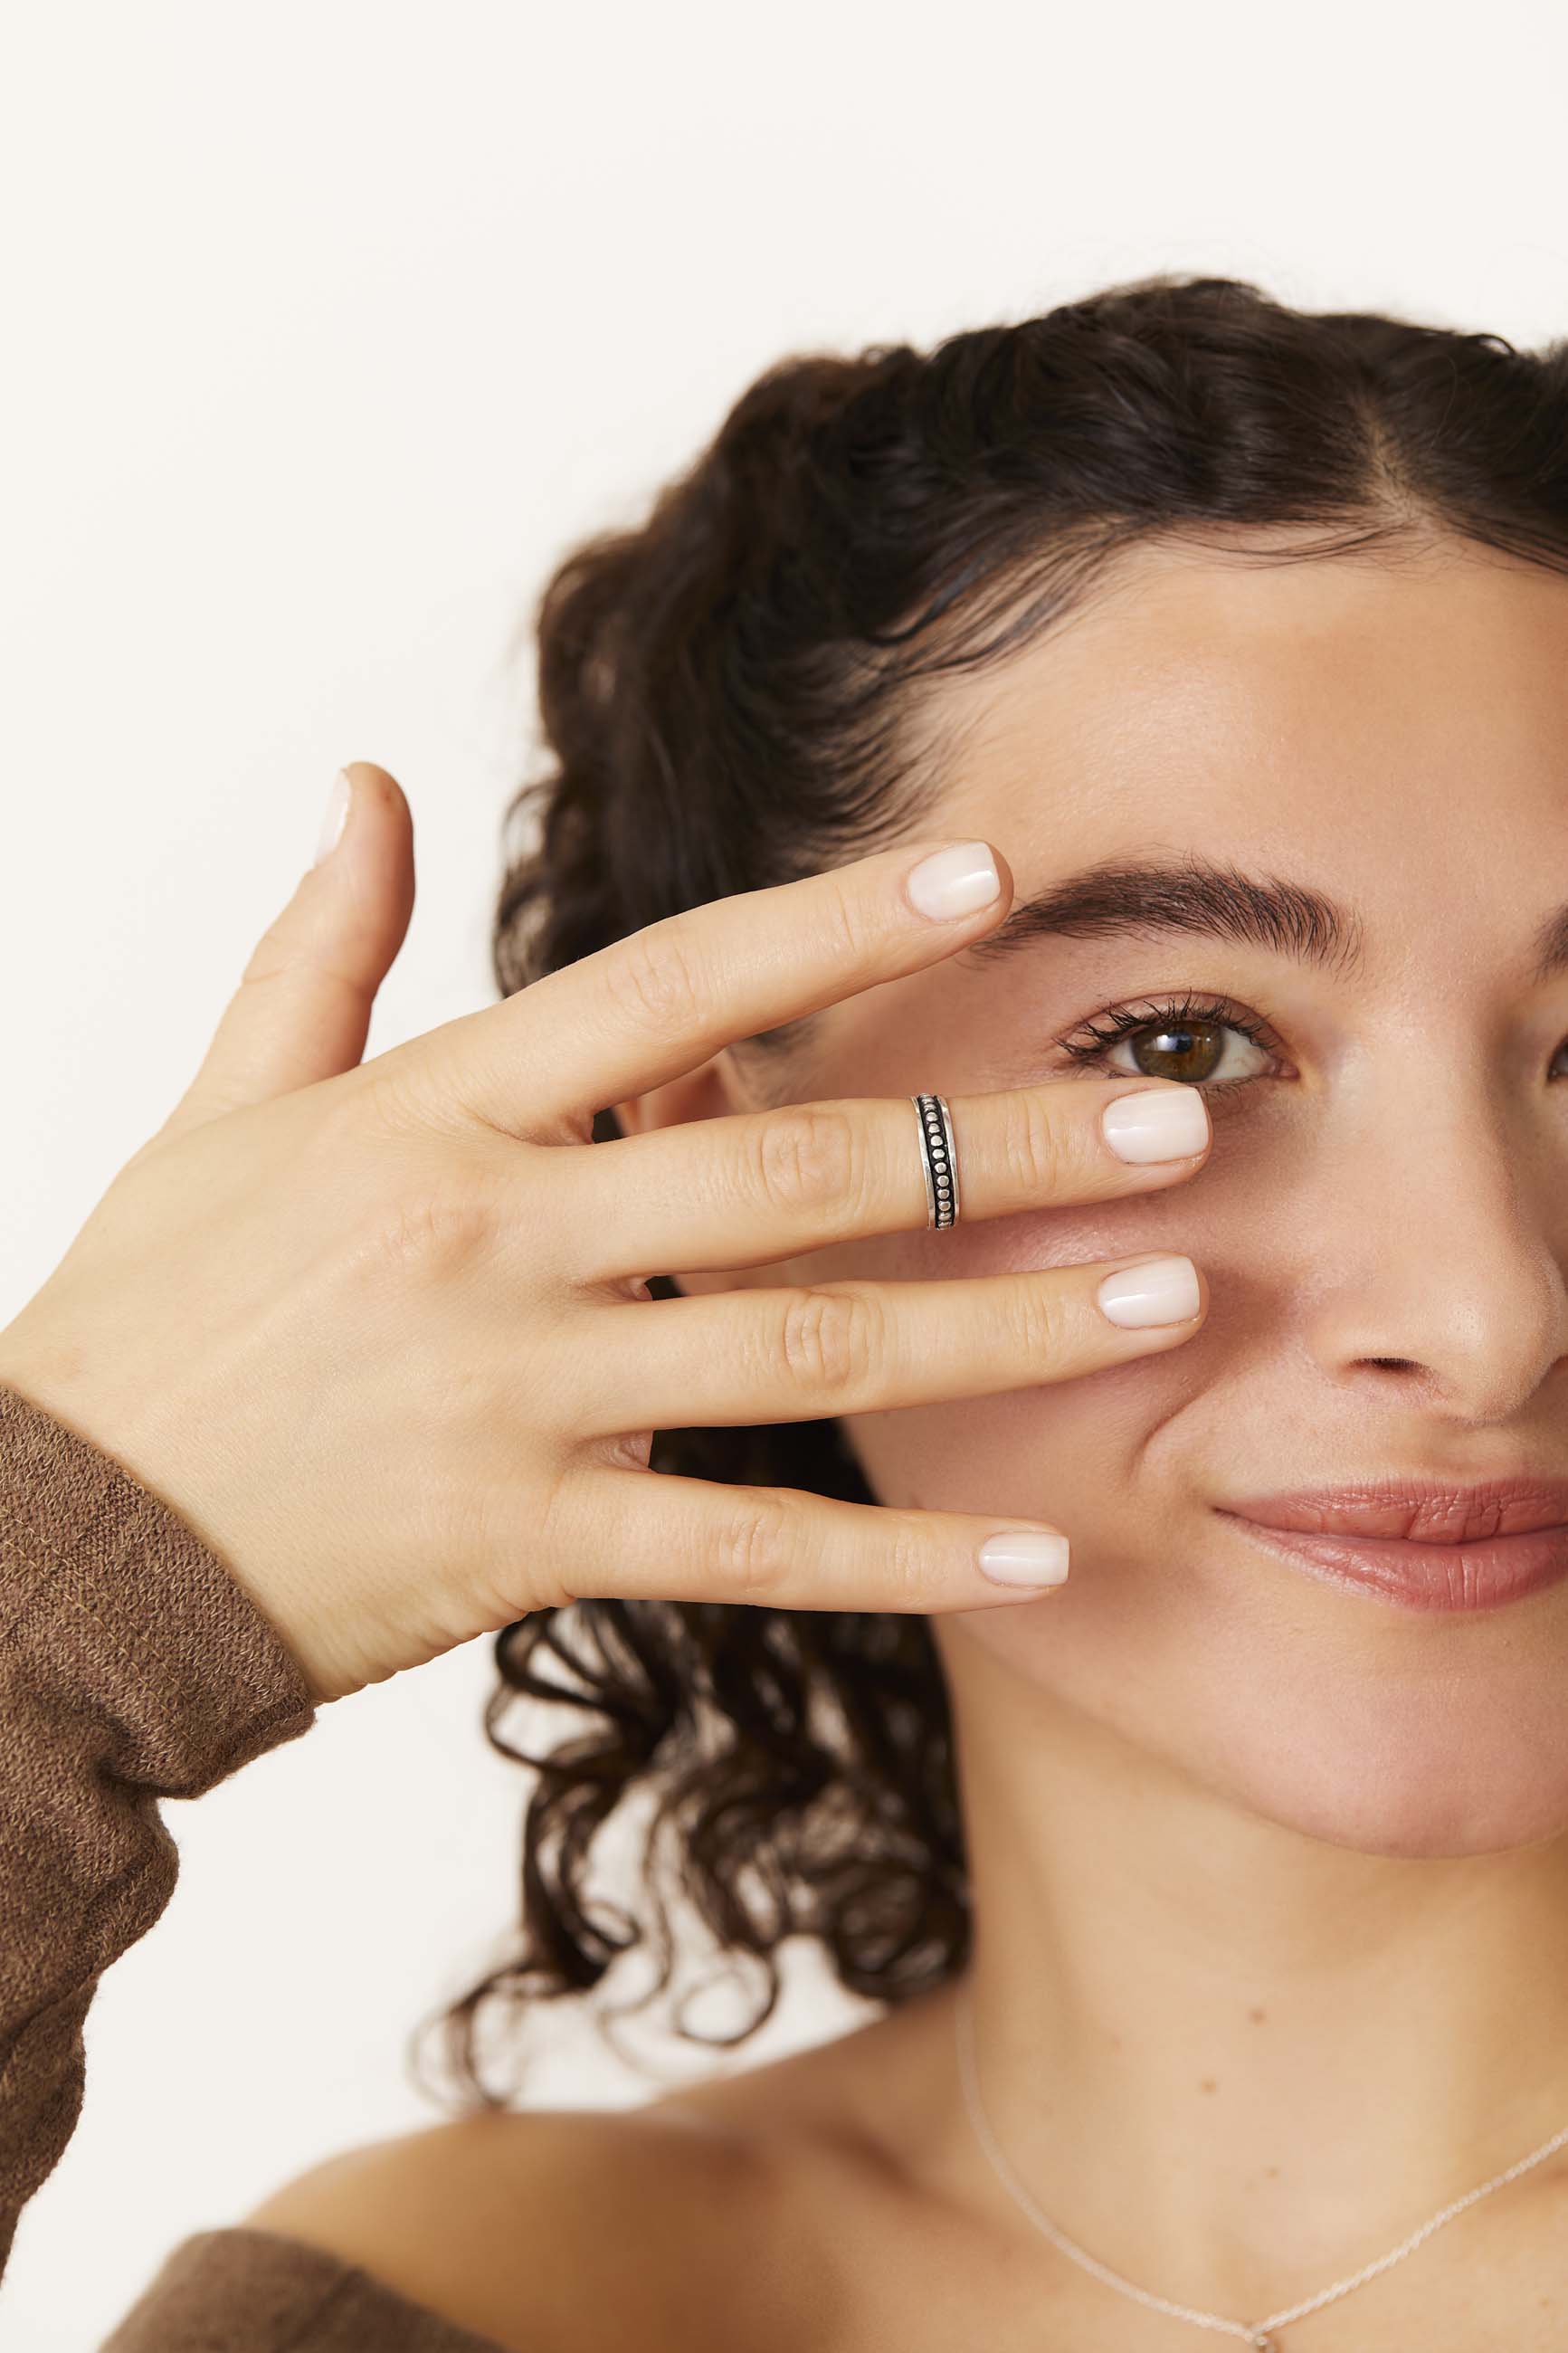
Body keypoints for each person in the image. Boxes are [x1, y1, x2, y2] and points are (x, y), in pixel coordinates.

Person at [5, 272, 1568, 2353]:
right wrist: (73, 1583)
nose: (1488, 1309)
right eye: (1178, 1043)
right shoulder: (473, 2313)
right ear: (724, 1168)